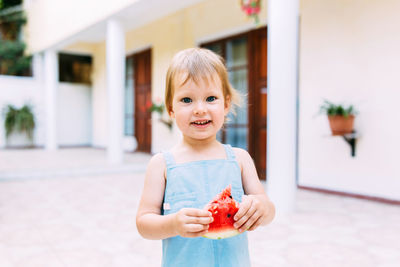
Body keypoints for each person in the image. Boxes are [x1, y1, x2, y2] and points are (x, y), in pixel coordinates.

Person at [136, 48, 275, 267]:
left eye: (211, 98)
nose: (200, 109)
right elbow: (144, 223)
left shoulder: (240, 159)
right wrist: (173, 224)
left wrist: (260, 208)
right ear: (171, 109)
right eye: (187, 100)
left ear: (226, 104)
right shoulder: (161, 164)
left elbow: (268, 209)